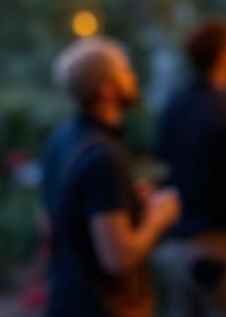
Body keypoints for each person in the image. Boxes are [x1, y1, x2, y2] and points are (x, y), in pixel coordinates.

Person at [41, 37, 181, 317]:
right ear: (106, 90)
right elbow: (118, 258)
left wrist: (126, 202)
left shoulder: (60, 141)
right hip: (103, 307)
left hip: (65, 296)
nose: (133, 77)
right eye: (125, 71)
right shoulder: (105, 156)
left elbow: (49, 222)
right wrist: (158, 217)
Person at [156, 19, 226, 316]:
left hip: (177, 244)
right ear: (223, 54)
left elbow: (163, 163)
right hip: (223, 244)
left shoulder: (174, 106)